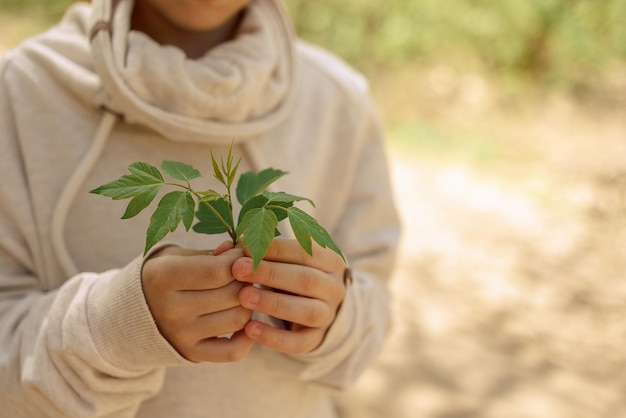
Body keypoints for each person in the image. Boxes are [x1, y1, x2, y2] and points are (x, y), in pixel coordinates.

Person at [0, 0, 401, 416]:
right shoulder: (19, 91)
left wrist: (336, 318)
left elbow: (374, 312)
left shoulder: (340, 102)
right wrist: (116, 324)